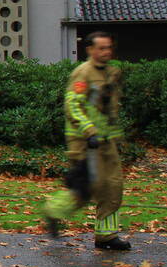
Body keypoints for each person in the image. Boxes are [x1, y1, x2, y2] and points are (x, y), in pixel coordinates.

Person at [44, 31, 130, 250]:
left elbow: (108, 107)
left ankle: (107, 236)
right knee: (89, 187)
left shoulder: (112, 72)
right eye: (101, 48)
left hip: (106, 140)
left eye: (109, 47)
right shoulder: (82, 74)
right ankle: (54, 210)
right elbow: (73, 106)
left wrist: (115, 134)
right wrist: (89, 130)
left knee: (113, 187)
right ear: (90, 50)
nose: (106, 52)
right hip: (85, 142)